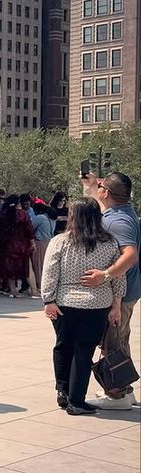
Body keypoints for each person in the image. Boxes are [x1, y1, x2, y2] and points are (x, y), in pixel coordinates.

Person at [42, 199, 125, 416]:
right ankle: (77, 399)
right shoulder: (109, 244)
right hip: (97, 304)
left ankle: (63, 390)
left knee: (63, 346)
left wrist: (48, 300)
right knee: (84, 350)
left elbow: (50, 273)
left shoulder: (60, 242)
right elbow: (118, 277)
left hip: (64, 304)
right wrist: (116, 306)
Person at [81, 172, 139, 411]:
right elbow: (102, 203)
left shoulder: (118, 221)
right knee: (119, 339)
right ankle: (124, 389)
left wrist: (105, 275)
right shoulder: (122, 213)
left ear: (107, 193)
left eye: (101, 186)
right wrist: (93, 186)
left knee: (112, 342)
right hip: (128, 291)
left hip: (121, 292)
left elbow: (130, 255)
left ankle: (117, 395)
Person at [0, 196, 34, 297]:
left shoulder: (3, 214)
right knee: (21, 267)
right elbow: (29, 229)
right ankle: (30, 289)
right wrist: (32, 242)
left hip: (6, 244)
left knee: (8, 267)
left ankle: (11, 289)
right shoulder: (23, 214)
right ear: (18, 203)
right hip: (21, 245)